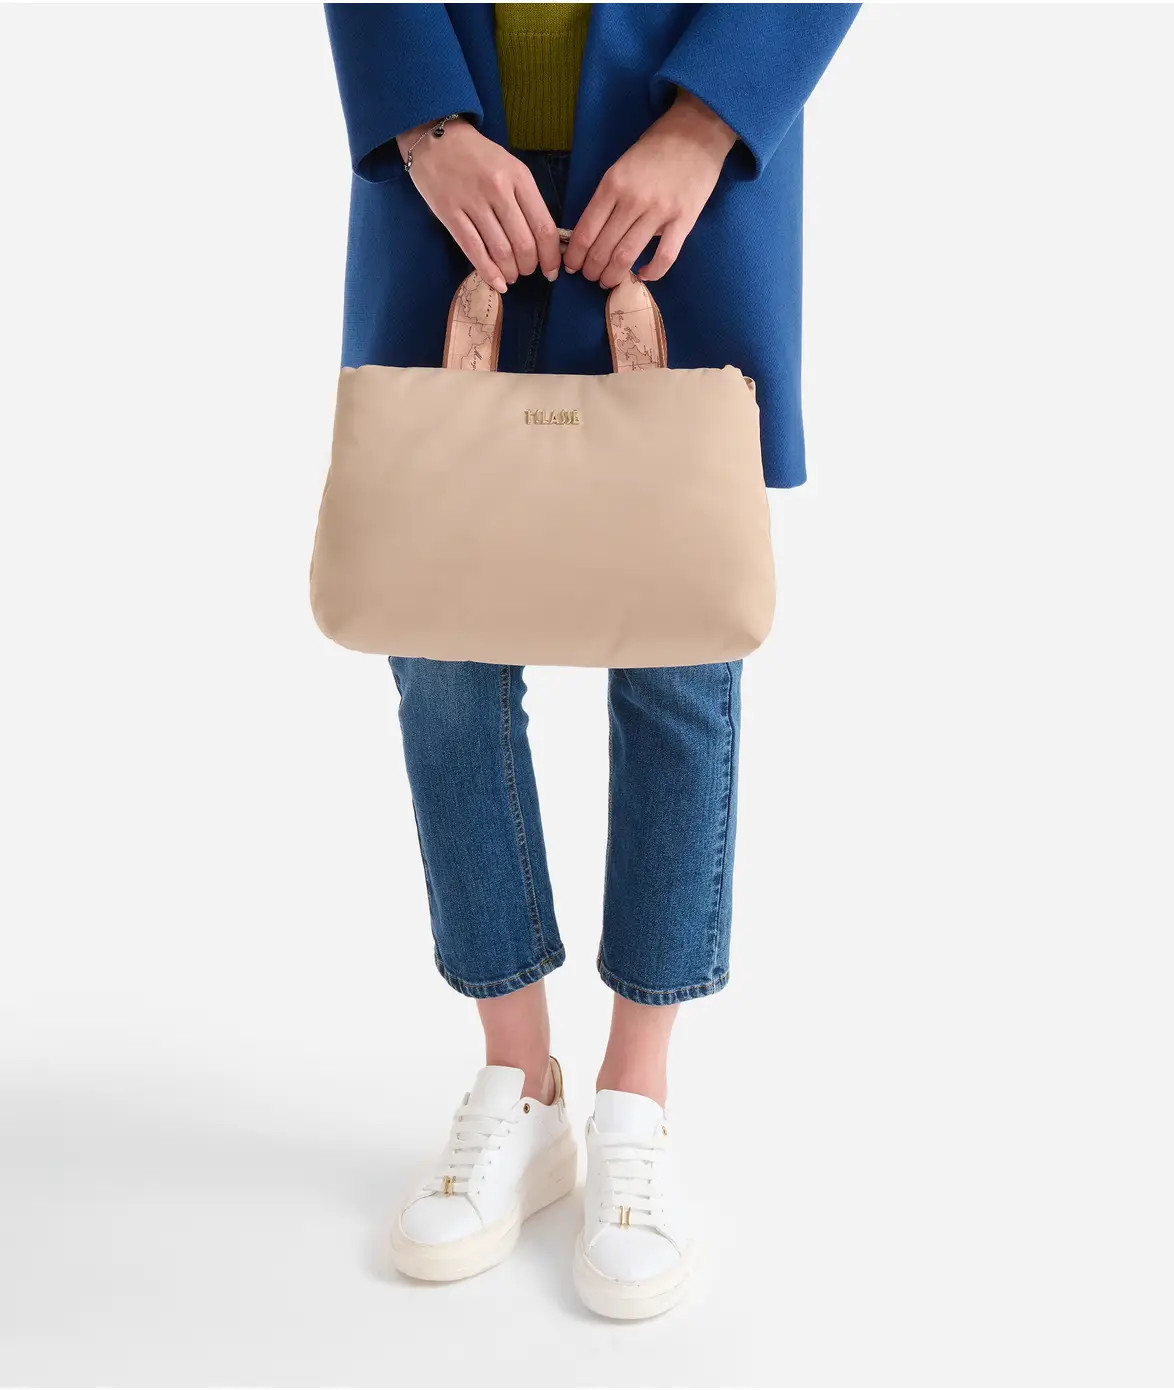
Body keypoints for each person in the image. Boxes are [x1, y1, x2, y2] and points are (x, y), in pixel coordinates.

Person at [324, 1, 859, 1319]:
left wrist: (710, 120)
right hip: (450, 157)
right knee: (440, 644)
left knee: (676, 644)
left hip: (683, 160)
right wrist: (422, 123)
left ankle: (635, 1098)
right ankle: (522, 1082)